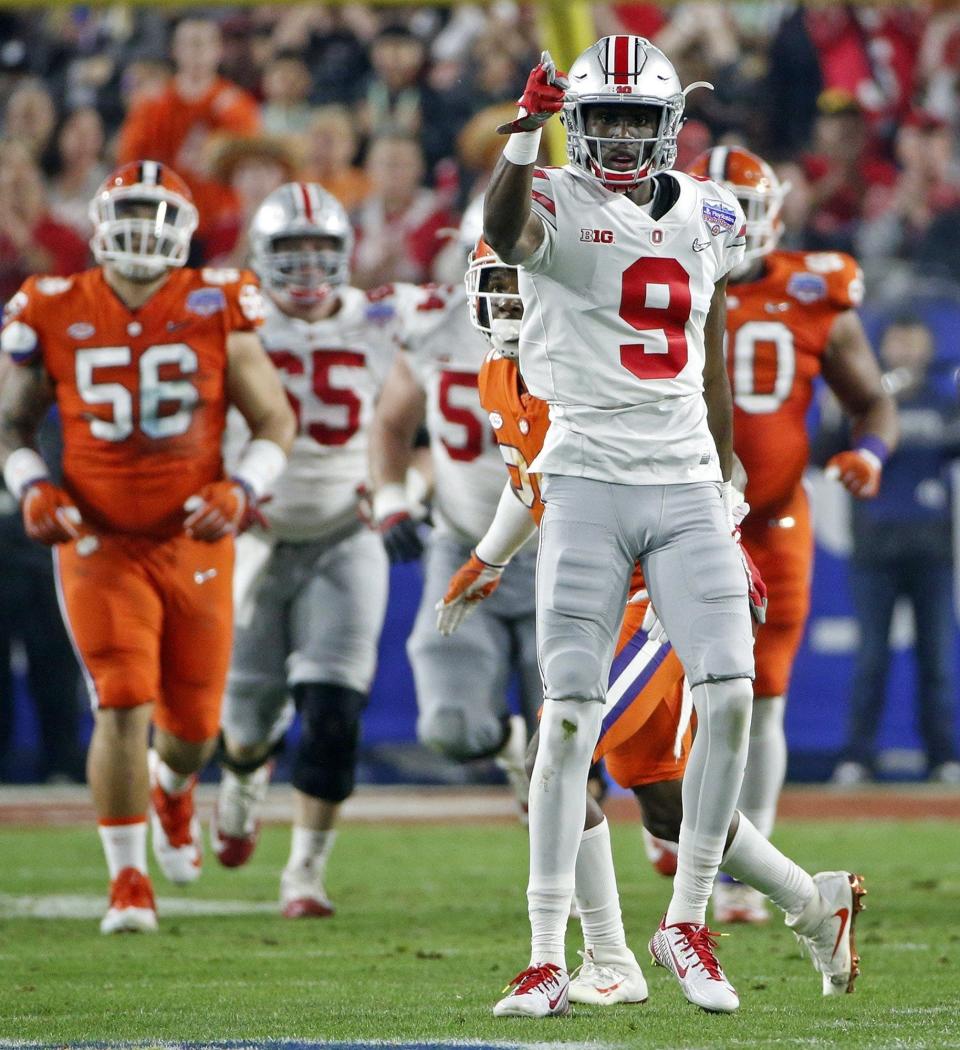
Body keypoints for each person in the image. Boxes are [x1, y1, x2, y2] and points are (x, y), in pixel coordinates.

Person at [440, 236, 867, 1004]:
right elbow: (531, 482)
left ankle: (607, 958)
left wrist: (724, 536)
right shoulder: (500, 373)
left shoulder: (593, 359)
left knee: (558, 752)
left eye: (518, 285)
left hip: (658, 591)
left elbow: (706, 456)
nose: (507, 303)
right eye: (493, 288)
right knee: (669, 801)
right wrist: (490, 557)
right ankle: (814, 901)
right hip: (604, 586)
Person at [483, 36, 756, 1015]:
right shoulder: (549, 194)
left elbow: (710, 356)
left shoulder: (713, 210)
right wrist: (522, 138)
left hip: (684, 484)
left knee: (731, 695)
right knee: (566, 718)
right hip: (588, 481)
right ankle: (549, 951)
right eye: (606, 119)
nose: (625, 137)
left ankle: (686, 919)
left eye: (641, 119)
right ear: (576, 124)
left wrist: (729, 485)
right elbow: (504, 232)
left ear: (670, 125)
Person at [0, 160, 295, 934]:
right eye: (127, 209)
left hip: (193, 533)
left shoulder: (216, 300)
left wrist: (242, 488)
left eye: (157, 211)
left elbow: (275, 421)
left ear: (188, 228)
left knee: (193, 730)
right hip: (96, 537)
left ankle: (174, 787)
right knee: (123, 697)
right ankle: (128, 881)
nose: (141, 227)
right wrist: (34, 483)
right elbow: (11, 422)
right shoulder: (53, 303)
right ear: (98, 221)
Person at [687, 146, 898, 923]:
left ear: (772, 214)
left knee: (761, 700)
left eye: (742, 207)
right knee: (664, 693)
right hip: (677, 514)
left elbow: (873, 402)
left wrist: (868, 454)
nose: (731, 224)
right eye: (718, 207)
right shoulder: (657, 277)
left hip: (771, 522)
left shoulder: (814, 291)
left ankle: (750, 868)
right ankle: (672, 821)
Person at [211, 183, 400, 916]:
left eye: (322, 250)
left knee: (332, 707)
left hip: (344, 533)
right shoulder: (234, 322)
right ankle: (242, 780)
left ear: (346, 253)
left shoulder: (383, 318)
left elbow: (415, 427)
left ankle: (305, 873)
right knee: (249, 716)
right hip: (253, 534)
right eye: (291, 252)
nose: (309, 267)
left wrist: (391, 491)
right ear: (262, 256)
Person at [368, 200, 535, 815]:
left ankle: (578, 890)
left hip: (565, 553)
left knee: (578, 739)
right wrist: (390, 498)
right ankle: (510, 747)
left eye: (522, 266)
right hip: (462, 544)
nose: (510, 285)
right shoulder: (434, 325)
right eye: (495, 269)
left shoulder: (586, 326)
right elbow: (390, 426)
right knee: (450, 727)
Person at [824, 317, 959, 785]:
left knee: (938, 659)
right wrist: (837, 414)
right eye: (896, 341)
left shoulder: (944, 401)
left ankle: (943, 757)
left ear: (927, 347)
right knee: (871, 659)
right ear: (881, 347)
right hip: (875, 551)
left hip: (934, 552)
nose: (904, 351)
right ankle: (857, 757)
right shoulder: (863, 402)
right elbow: (823, 452)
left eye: (913, 341)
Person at [117, 16, 261, 245]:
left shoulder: (237, 107)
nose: (197, 53)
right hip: (163, 223)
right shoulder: (152, 105)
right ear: (175, 50)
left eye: (204, 44)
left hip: (220, 225)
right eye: (190, 44)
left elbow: (251, 169)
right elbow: (129, 162)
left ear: (218, 50)